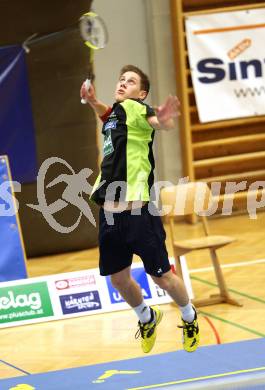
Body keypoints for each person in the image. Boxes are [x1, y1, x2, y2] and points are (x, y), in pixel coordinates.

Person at [80, 64, 199, 353]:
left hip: (138, 214)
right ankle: (147, 317)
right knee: (119, 279)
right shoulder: (114, 116)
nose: (122, 84)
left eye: (130, 81)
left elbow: (158, 122)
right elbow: (106, 115)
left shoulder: (136, 108)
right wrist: (94, 101)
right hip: (109, 215)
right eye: (121, 79)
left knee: (162, 277)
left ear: (141, 92)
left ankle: (189, 316)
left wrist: (165, 120)